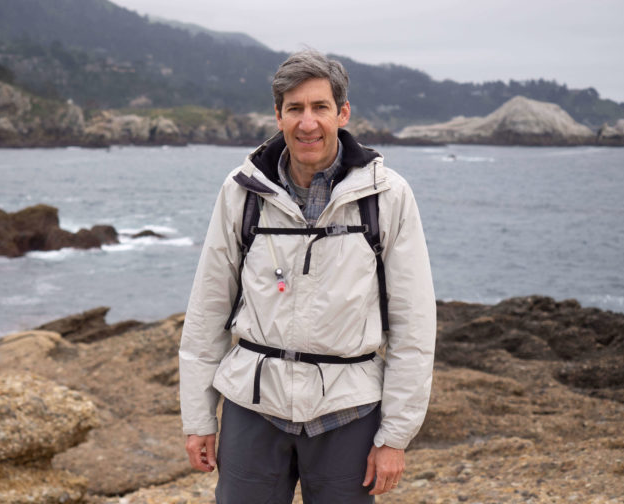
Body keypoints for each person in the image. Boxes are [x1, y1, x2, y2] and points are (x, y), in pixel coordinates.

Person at [179, 49, 436, 503]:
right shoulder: (243, 192)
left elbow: (414, 326)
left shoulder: (388, 196)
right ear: (277, 116)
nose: (307, 122)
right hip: (253, 407)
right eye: (294, 109)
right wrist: (198, 419)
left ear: (343, 112)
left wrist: (395, 435)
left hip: (349, 412)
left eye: (320, 107)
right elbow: (208, 309)